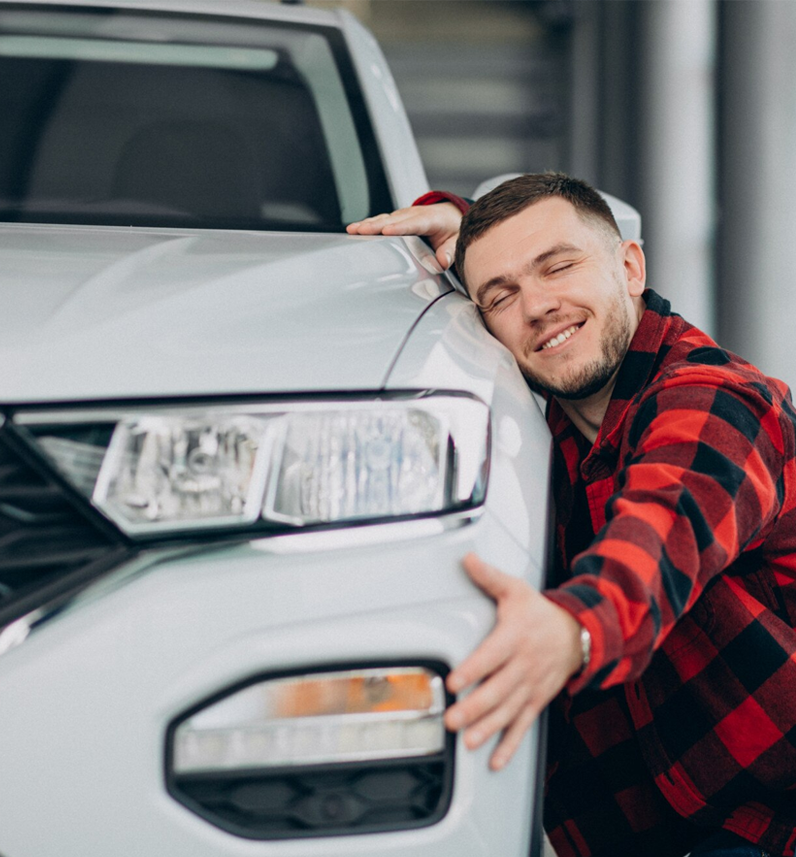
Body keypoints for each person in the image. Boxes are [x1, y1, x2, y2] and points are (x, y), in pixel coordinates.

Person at [348, 174, 796, 857]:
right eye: (500, 295)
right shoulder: (537, 431)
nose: (537, 305)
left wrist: (574, 626)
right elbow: (523, 250)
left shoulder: (718, 399)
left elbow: (664, 526)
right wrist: (461, 227)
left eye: (558, 267)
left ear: (630, 267)